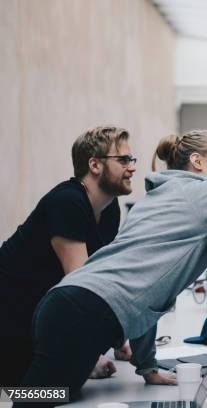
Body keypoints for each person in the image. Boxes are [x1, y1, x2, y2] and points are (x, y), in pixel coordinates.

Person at [16, 75, 207, 404]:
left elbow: (147, 296)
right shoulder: (198, 194)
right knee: (29, 400)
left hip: (67, 305)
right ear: (196, 162)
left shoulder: (161, 197)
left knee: (55, 396)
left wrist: (147, 366)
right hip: (83, 312)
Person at [0, 126, 136, 387]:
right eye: (123, 160)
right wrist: (92, 355)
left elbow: (103, 275)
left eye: (131, 160)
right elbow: (81, 289)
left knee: (69, 393)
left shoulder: (109, 209)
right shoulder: (66, 202)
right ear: (94, 165)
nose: (131, 167)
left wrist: (119, 339)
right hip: (11, 318)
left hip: (39, 317)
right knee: (30, 398)